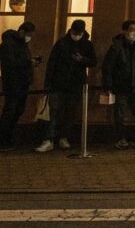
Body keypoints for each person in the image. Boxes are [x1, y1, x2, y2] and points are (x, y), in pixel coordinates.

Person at [37, 19, 97, 152]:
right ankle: (50, 139)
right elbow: (52, 63)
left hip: (75, 84)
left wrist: (82, 60)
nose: (76, 35)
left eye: (79, 33)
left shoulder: (86, 44)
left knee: (70, 112)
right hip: (58, 83)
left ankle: (63, 137)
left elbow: (94, 61)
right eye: (75, 32)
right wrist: (48, 84)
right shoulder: (62, 43)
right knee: (54, 112)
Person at [102, 19, 135, 149]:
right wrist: (108, 85)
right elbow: (108, 66)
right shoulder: (116, 47)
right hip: (121, 87)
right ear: (124, 31)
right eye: (131, 30)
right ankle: (121, 139)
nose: (134, 33)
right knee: (120, 115)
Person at [0, 21, 40, 151]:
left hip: (22, 82)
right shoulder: (8, 45)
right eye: (29, 34)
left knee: (17, 110)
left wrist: (31, 62)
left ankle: (8, 138)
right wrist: (28, 62)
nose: (29, 37)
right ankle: (2, 140)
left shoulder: (22, 45)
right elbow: (10, 63)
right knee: (10, 111)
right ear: (22, 32)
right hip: (13, 83)